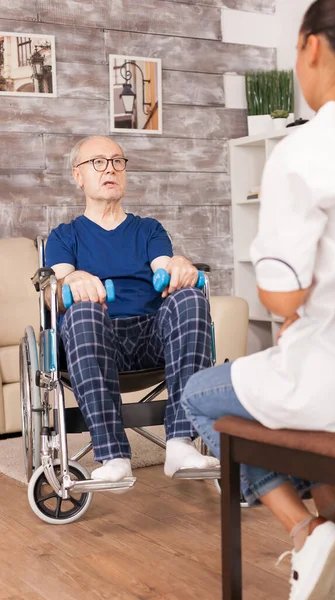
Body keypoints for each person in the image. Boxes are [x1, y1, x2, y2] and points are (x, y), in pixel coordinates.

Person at [181, 0, 335, 598]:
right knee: (278, 370)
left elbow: (281, 298)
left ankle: (308, 532)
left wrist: (294, 306)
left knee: (200, 394)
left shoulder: (304, 152)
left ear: (310, 48)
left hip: (333, 389)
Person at [45, 135, 219, 485]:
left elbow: (165, 264)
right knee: (80, 311)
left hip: (150, 337)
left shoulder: (148, 229)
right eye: (98, 162)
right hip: (95, 338)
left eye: (117, 161)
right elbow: (59, 287)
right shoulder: (64, 236)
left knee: (190, 297)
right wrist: (75, 279)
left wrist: (180, 266)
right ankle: (113, 456)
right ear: (78, 176)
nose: (110, 168)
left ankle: (181, 444)